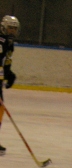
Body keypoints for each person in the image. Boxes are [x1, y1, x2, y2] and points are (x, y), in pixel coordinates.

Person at [0, 15, 20, 155]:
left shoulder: (9, 43)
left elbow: (5, 63)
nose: (12, 31)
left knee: (0, 109)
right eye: (10, 28)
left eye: (14, 28)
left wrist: (9, 74)